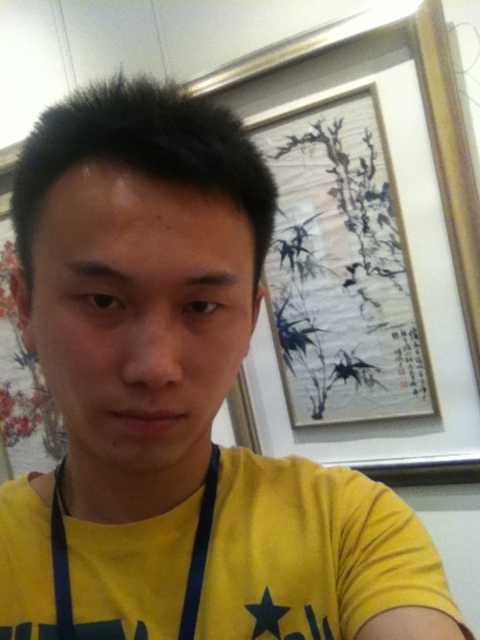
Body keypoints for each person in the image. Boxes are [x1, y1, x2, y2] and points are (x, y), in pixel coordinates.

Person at [0, 76, 473, 640]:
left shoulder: (346, 526)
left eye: (200, 306)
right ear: (23, 306)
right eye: (103, 300)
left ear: (250, 319)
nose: (155, 368)